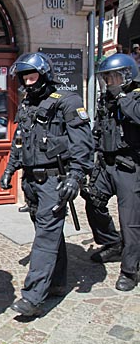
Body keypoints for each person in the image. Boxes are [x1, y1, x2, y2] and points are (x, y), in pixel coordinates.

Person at [0, 52, 94, 317]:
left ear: (44, 74)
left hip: (55, 180)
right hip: (31, 182)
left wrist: (76, 176)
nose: (28, 81)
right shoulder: (27, 105)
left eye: (32, 75)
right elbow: (20, 141)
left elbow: (83, 144)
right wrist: (10, 169)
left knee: (44, 238)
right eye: (24, 77)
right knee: (50, 233)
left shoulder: (67, 102)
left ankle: (32, 297)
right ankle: (58, 281)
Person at [83, 53, 140, 291]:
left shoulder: (134, 96)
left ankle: (130, 270)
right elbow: (99, 130)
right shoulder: (106, 99)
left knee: (130, 221)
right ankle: (111, 243)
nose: (109, 81)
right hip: (106, 163)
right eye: (106, 77)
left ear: (126, 76)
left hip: (130, 165)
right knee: (92, 201)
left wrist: (122, 97)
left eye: (113, 76)